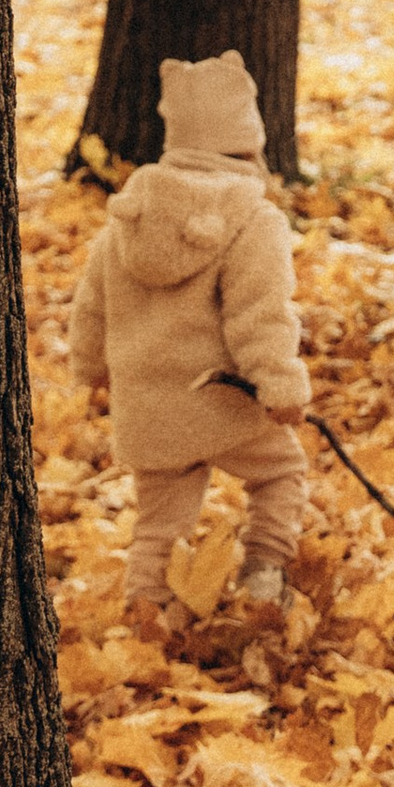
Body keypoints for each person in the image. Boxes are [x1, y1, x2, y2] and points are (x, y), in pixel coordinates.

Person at [68, 49, 309, 621]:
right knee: (281, 472)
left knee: (158, 522)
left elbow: (90, 305)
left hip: (148, 408)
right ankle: (263, 573)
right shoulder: (254, 220)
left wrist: (89, 369)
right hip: (221, 402)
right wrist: (280, 385)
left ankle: (146, 613)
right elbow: (260, 317)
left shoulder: (129, 214)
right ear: (249, 140)